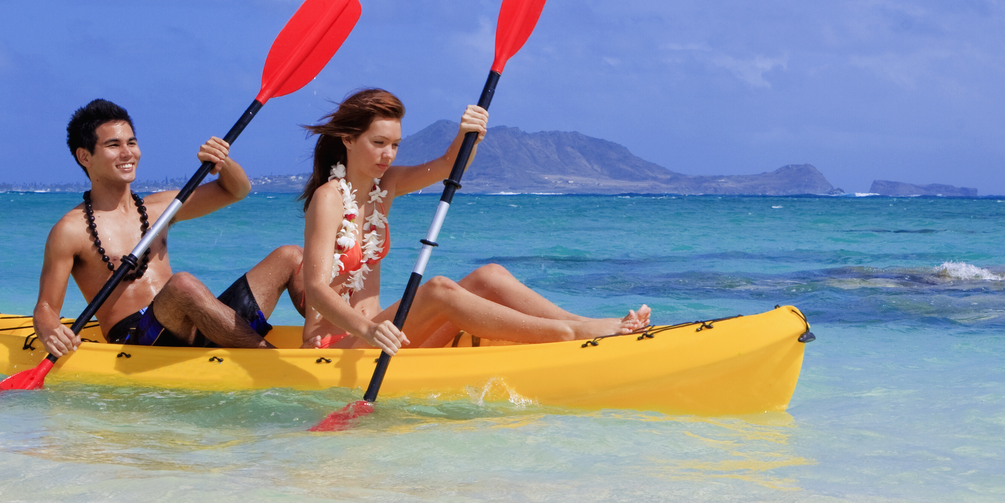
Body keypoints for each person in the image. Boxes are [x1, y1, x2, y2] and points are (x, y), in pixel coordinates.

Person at [298, 88, 649, 351]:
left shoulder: (385, 186)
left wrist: (470, 133)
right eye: (378, 143)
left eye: (395, 145)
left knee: (489, 276)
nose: (388, 154)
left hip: (385, 334)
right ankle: (569, 336)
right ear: (347, 138)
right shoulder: (328, 198)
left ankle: (583, 324)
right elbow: (314, 289)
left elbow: (449, 164)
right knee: (437, 289)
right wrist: (368, 329)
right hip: (337, 346)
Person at [32, 99, 303, 356]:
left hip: (191, 324)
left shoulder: (160, 209)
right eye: (113, 145)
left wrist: (223, 162)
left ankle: (326, 335)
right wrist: (49, 330)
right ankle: (270, 358)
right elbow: (46, 307)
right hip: (136, 341)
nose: (128, 153)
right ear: (85, 157)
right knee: (182, 284)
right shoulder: (71, 230)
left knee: (291, 256)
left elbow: (236, 191)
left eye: (132, 142)